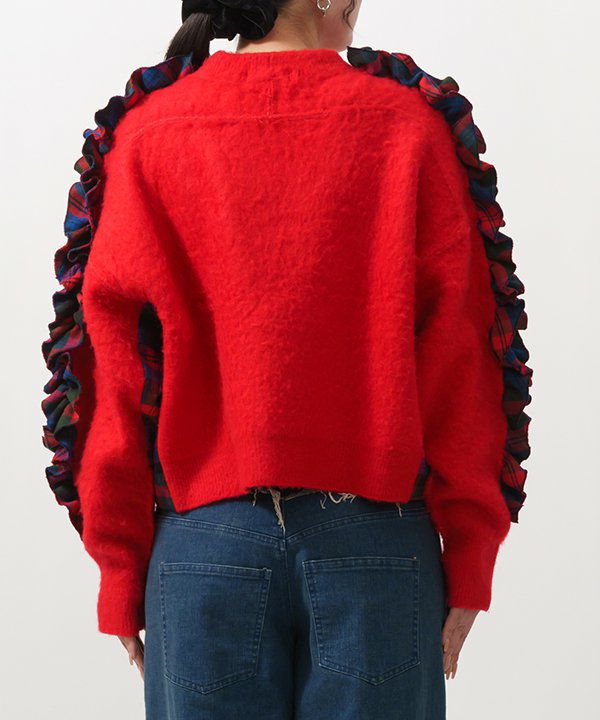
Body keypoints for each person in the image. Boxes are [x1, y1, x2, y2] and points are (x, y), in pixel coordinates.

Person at [41, 0, 533, 717]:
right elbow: (464, 357)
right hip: (378, 548)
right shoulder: (408, 126)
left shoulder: (147, 133)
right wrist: (470, 552)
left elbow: (107, 370)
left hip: (203, 549)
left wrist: (120, 566)